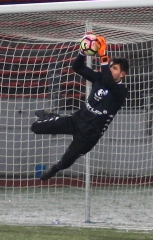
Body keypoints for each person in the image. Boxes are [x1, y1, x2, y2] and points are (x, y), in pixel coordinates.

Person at [30, 33, 129, 181]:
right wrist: (82, 52)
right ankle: (53, 117)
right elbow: (77, 67)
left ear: (122, 74)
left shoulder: (121, 91)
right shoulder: (100, 78)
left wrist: (103, 55)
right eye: (110, 67)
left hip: (89, 135)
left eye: (114, 68)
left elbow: (109, 83)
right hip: (76, 120)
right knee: (35, 128)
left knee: (66, 162)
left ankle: (55, 169)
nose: (110, 69)